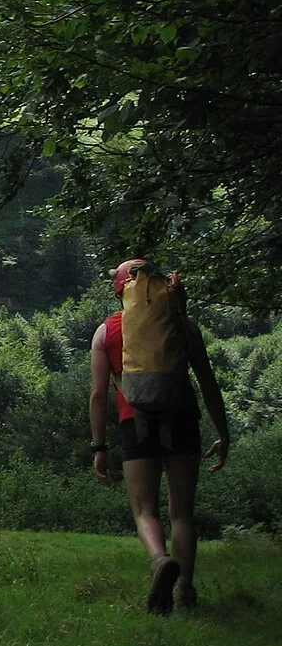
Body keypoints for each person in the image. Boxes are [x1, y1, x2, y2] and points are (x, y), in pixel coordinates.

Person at [89, 259, 232, 614]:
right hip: (183, 418)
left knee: (144, 510)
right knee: (182, 514)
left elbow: (97, 394)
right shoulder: (184, 326)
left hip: (134, 423)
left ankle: (158, 560)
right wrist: (223, 433)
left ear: (120, 289)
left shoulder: (107, 331)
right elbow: (207, 383)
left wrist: (100, 447)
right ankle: (184, 592)